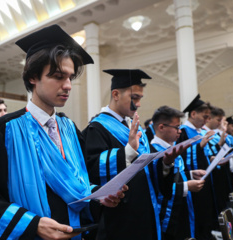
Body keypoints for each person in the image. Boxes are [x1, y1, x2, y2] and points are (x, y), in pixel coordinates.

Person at [0, 24, 125, 240]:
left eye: (70, 78)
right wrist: (32, 224)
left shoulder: (70, 130)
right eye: (58, 76)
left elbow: (79, 183)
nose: (67, 85)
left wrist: (98, 196)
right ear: (33, 77)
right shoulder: (3, 131)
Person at [83, 69, 180, 240]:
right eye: (134, 98)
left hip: (146, 210)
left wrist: (166, 163)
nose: (138, 104)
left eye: (140, 99)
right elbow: (92, 168)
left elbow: (147, 169)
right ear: (116, 94)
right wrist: (128, 151)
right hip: (120, 219)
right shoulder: (96, 128)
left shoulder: (133, 127)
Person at [150, 106, 205, 240]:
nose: (180, 131)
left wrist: (190, 174)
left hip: (182, 207)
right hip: (168, 215)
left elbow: (174, 175)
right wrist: (187, 186)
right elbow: (157, 187)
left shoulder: (170, 148)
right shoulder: (153, 152)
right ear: (161, 127)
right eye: (176, 127)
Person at [177, 94, 217, 240]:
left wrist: (212, 157)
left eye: (208, 117)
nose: (207, 121)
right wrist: (199, 147)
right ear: (193, 114)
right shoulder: (182, 132)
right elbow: (179, 156)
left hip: (204, 179)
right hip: (191, 182)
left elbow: (202, 155)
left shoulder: (199, 132)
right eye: (204, 117)